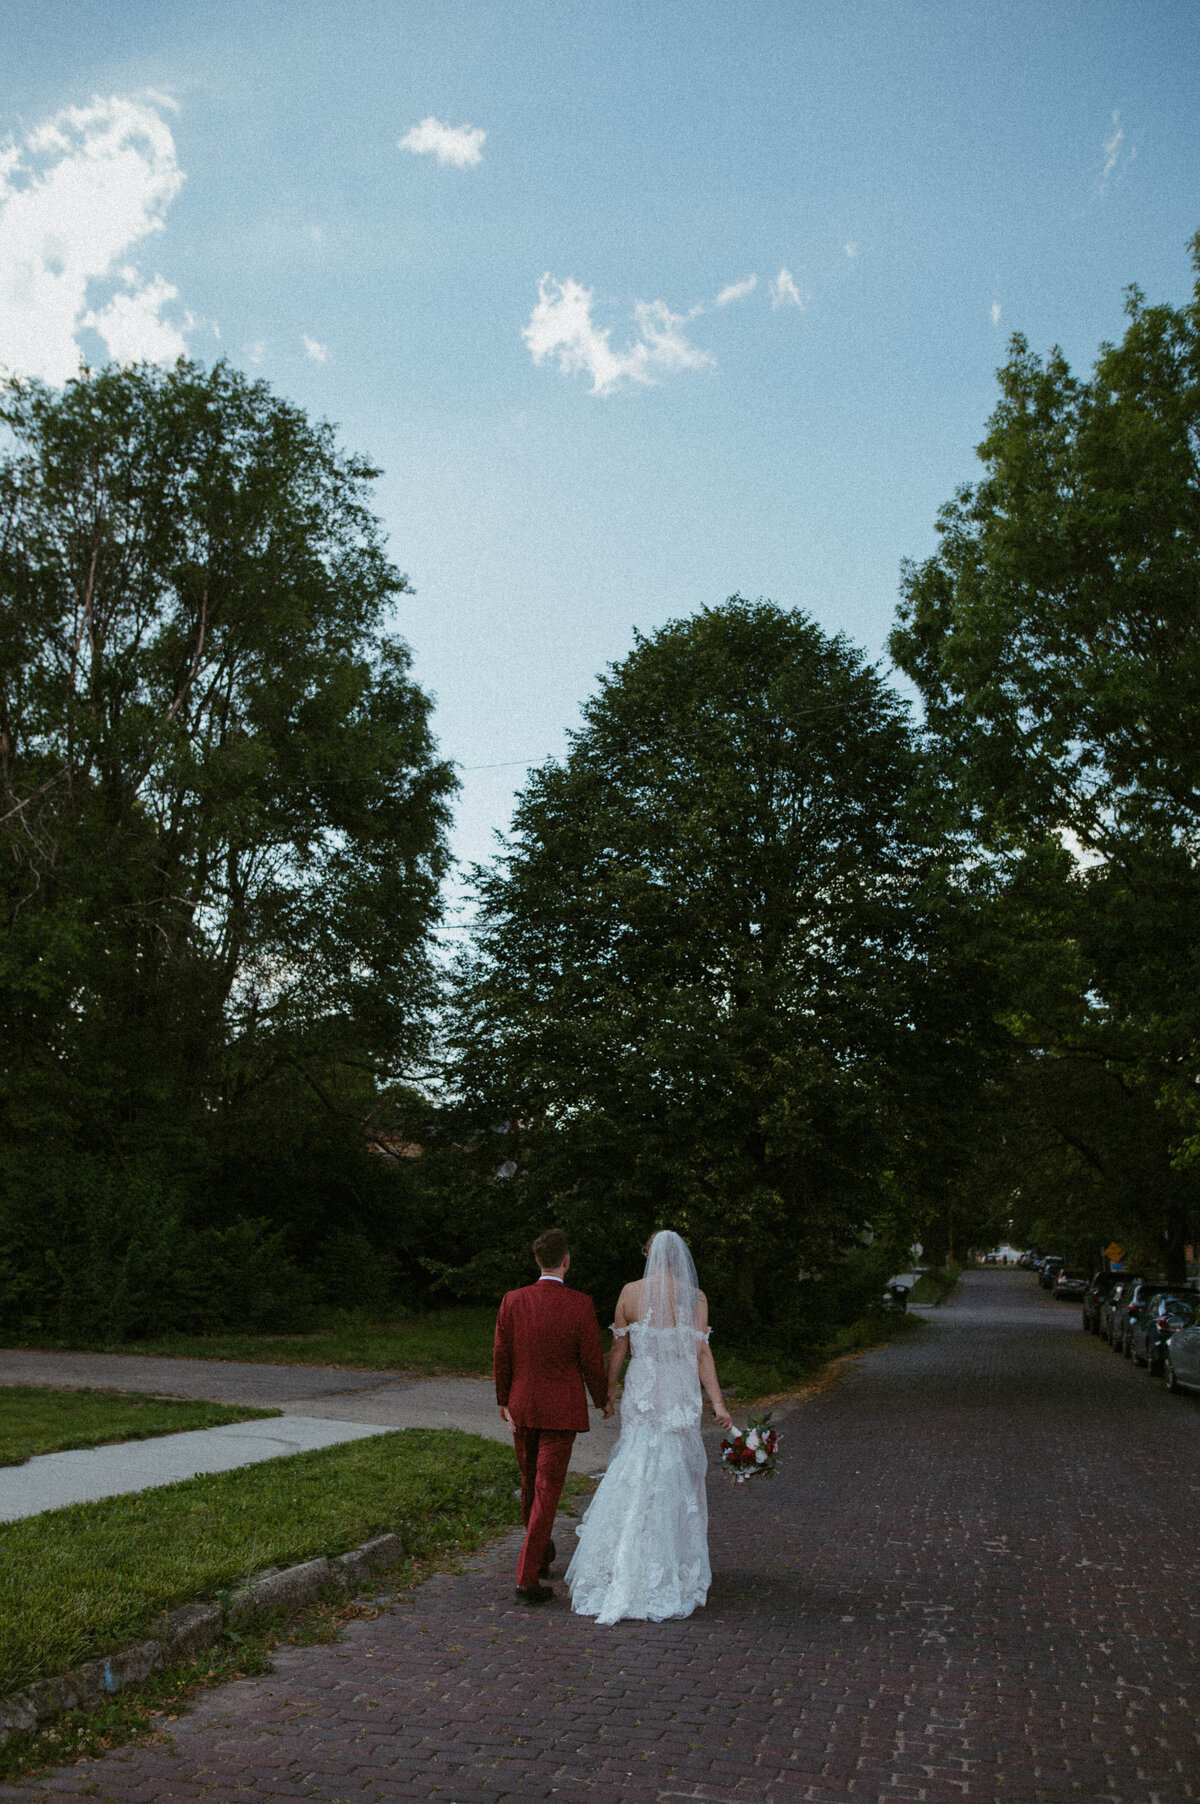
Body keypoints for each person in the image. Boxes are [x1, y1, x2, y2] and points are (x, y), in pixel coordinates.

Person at [566, 1229, 733, 1625]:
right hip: (676, 1392)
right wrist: (719, 1404)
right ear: (681, 1260)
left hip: (643, 1392)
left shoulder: (629, 1292)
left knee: (634, 1465)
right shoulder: (694, 1297)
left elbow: (619, 1350)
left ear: (649, 1254)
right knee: (675, 1473)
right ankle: (668, 1564)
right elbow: (702, 1352)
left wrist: (608, 1393)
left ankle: (623, 1560)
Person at [493, 1227, 611, 1604]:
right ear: (566, 1260)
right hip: (560, 1410)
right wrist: (603, 1397)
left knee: (531, 1484)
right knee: (545, 1491)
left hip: (522, 1405)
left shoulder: (512, 1300)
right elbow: (591, 1359)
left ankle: (540, 1556)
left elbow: (501, 1354)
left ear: (537, 1260)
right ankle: (527, 1578)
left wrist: (504, 1400)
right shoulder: (579, 1304)